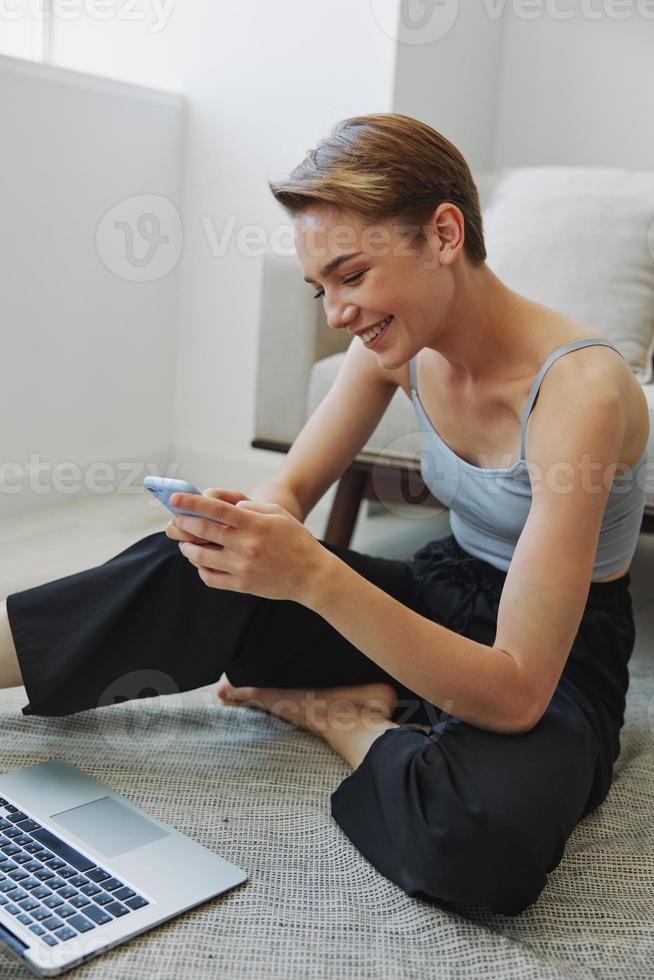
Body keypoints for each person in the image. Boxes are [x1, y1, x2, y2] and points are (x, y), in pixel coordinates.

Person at [0, 114, 649, 917]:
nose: (336, 312)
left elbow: (516, 690)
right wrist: (249, 526)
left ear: (443, 233)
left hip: (559, 653)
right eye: (322, 289)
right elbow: (291, 491)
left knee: (483, 837)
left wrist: (311, 575)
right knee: (196, 563)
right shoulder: (395, 349)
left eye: (351, 275)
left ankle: (343, 715)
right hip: (445, 590)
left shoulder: (577, 391)